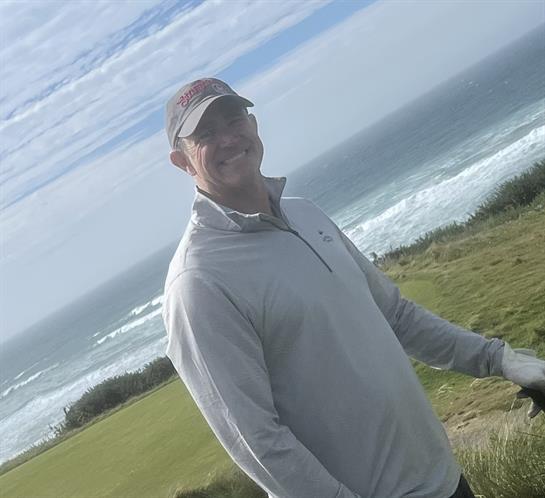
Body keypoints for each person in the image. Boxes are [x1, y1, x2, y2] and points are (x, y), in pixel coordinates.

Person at [162, 77, 545, 498]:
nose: (228, 138)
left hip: (444, 478)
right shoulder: (197, 281)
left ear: (253, 124)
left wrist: (499, 359)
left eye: (234, 119)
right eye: (205, 134)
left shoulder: (306, 213)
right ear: (182, 161)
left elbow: (396, 316)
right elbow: (256, 440)